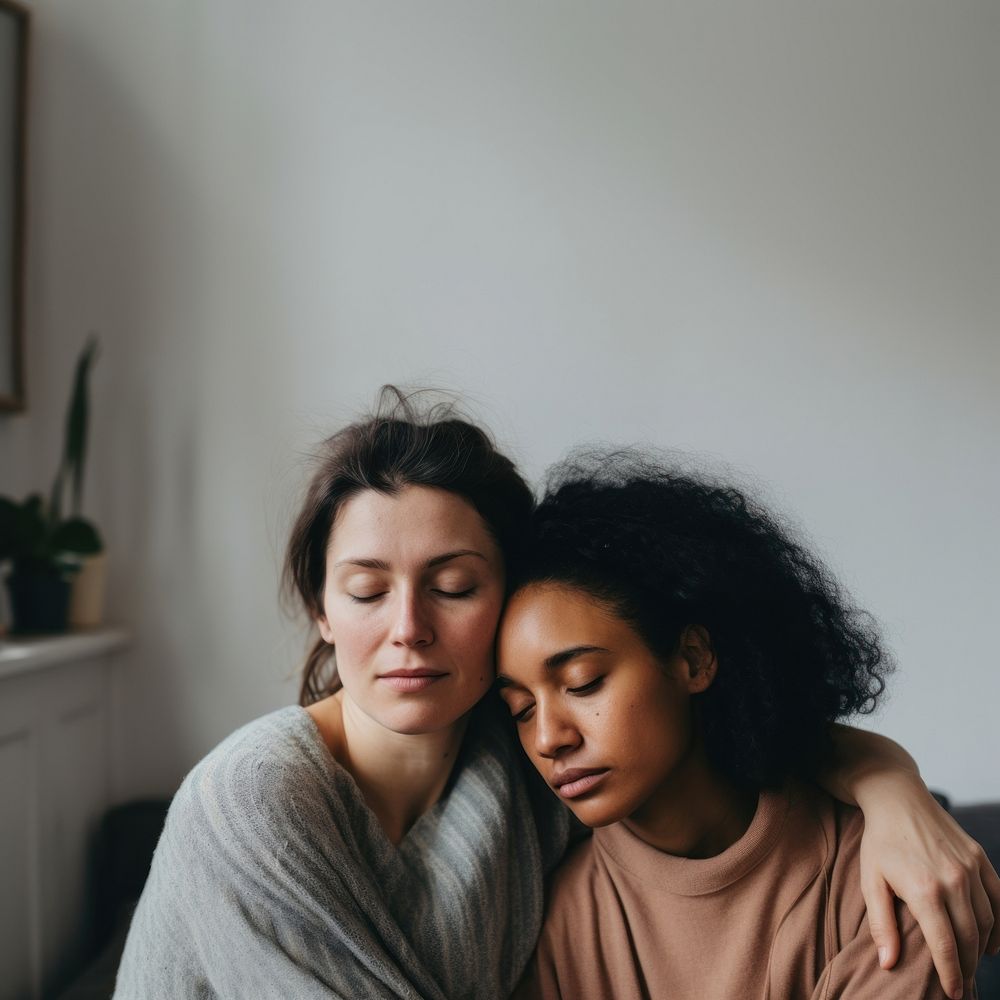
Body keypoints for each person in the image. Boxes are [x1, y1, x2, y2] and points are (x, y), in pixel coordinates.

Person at [115, 392, 998, 999]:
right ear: (320, 610)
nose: (409, 628)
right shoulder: (256, 795)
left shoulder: (531, 769)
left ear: (507, 596)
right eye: (365, 588)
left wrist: (895, 786)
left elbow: (731, 731)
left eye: (454, 585)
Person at [497, 448, 1000, 1000]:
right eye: (521, 709)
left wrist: (890, 779)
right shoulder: (553, 916)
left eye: (584, 681)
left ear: (693, 659)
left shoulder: (890, 876)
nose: (548, 738)